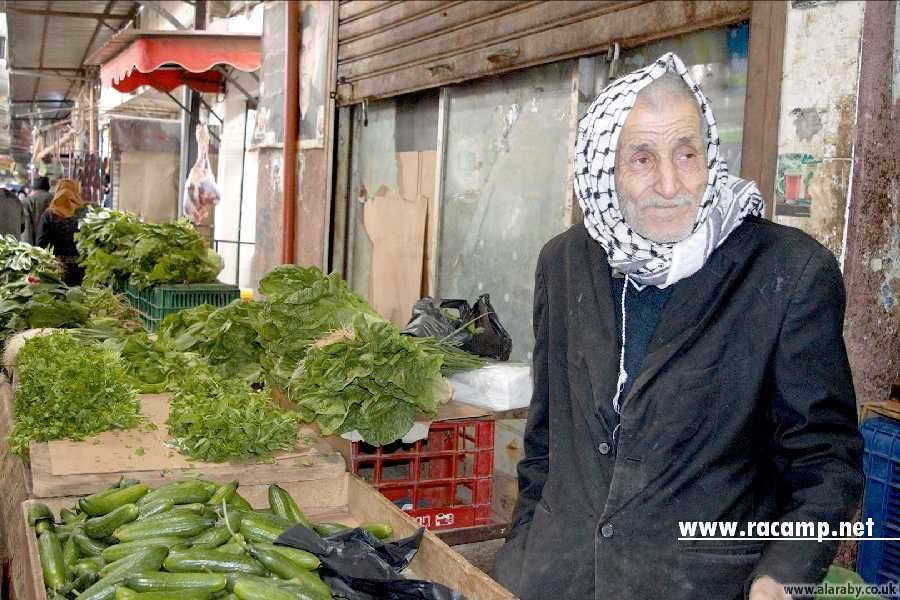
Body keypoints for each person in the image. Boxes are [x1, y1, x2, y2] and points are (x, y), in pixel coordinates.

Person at [492, 53, 863, 600]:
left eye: (686, 153)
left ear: (709, 153)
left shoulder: (787, 272)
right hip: (554, 579)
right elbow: (547, 440)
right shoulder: (566, 262)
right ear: (605, 169)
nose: (670, 184)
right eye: (641, 159)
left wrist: (783, 576)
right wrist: (523, 550)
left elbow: (827, 464)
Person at [36, 179, 86, 286]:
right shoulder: (83, 214)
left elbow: (40, 244)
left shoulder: (49, 215)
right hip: (81, 268)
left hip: (57, 269)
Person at [21, 176, 52, 245]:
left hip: (35, 244)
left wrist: (28, 247)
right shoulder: (55, 199)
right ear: (48, 187)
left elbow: (27, 227)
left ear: (34, 188)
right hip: (53, 244)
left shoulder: (28, 201)